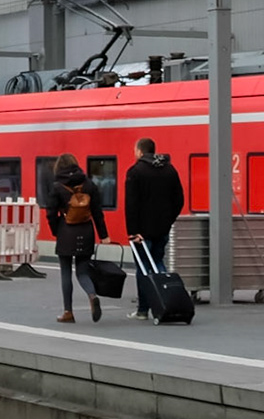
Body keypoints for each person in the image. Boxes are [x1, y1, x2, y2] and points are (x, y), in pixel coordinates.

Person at [123, 137, 186, 319]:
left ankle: (143, 309)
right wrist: (168, 221)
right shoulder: (169, 170)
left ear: (140, 152)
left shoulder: (135, 172)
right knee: (158, 263)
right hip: (162, 229)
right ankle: (166, 301)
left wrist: (134, 231)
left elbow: (131, 205)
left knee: (143, 268)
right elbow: (179, 200)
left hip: (142, 232)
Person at [47, 153, 110, 324]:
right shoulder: (89, 184)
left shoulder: (57, 186)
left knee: (66, 273)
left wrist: (56, 231)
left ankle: (68, 312)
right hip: (86, 231)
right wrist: (104, 235)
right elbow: (97, 212)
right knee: (82, 271)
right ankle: (92, 295)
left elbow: (51, 213)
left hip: (66, 232)